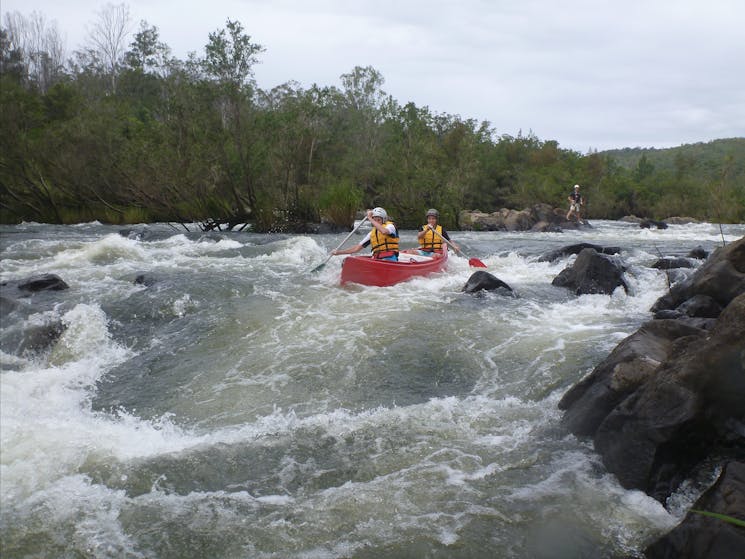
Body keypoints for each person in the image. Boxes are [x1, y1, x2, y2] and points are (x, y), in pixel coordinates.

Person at [331, 207, 399, 261]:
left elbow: (384, 231)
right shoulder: (372, 234)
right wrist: (339, 252)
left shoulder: (390, 226)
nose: (376, 222)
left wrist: (370, 218)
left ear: (384, 220)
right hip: (377, 259)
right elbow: (356, 249)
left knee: (384, 261)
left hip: (390, 258)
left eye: (378, 220)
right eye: (374, 220)